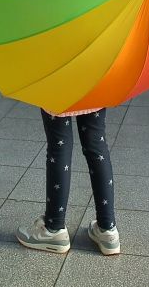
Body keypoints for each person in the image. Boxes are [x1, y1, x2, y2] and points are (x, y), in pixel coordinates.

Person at [16, 105, 120, 255]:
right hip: (93, 86)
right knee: (97, 145)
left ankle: (54, 228)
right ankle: (107, 229)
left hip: (58, 87)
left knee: (59, 146)